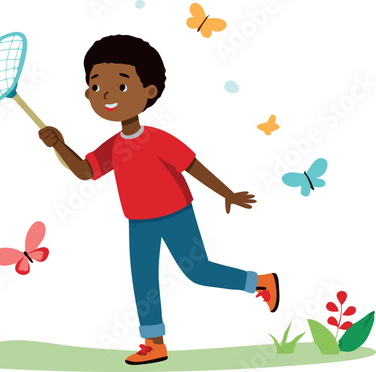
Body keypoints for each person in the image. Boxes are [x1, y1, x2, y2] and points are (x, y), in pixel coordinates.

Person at [39, 34, 279, 365]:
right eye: (96, 87)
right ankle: (154, 343)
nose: (106, 94)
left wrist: (227, 193)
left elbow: (193, 166)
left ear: (149, 92)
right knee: (144, 280)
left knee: (198, 271)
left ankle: (260, 283)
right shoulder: (112, 146)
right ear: (88, 94)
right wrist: (59, 145)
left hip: (175, 213)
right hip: (138, 221)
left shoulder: (157, 139)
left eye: (120, 87)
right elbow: (83, 171)